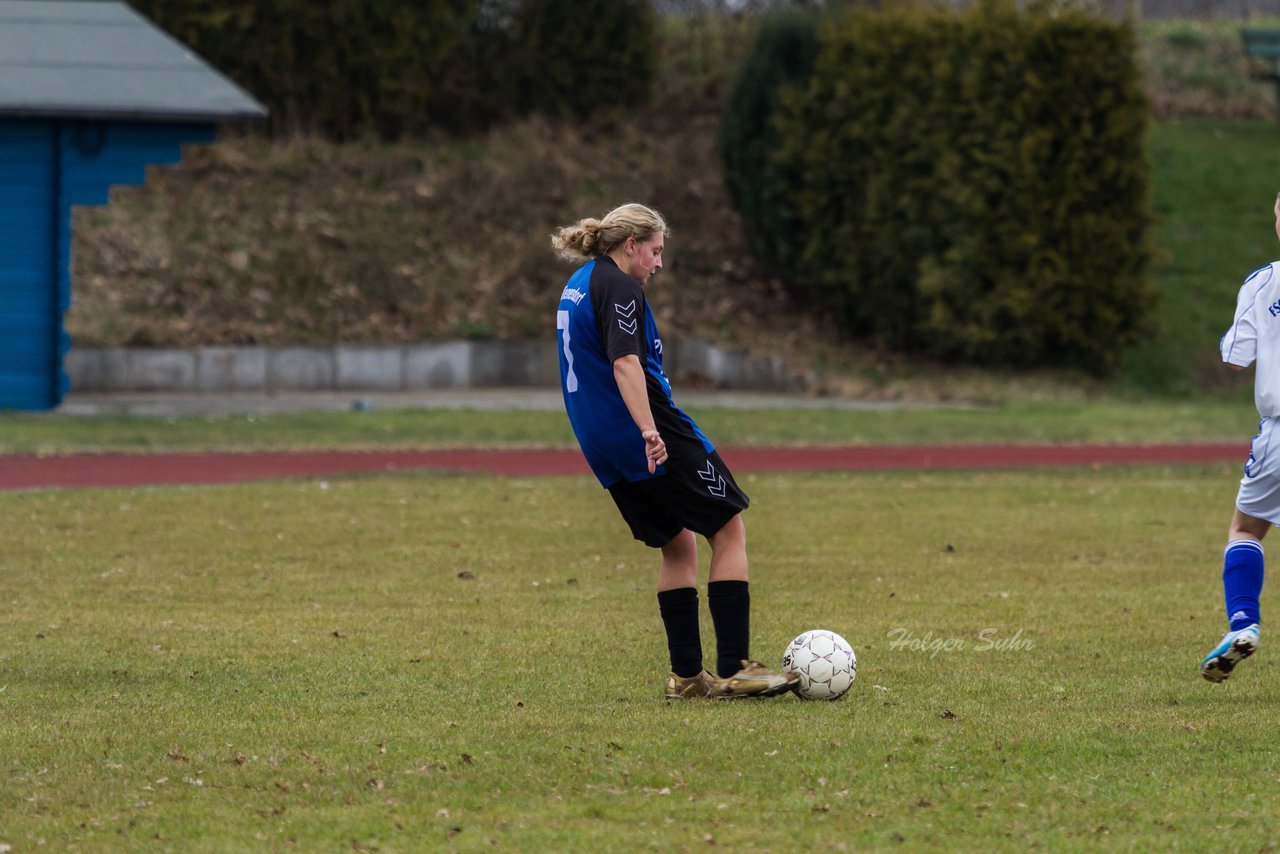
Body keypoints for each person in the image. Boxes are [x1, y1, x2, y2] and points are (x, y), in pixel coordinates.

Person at [550, 203, 797, 700]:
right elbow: (625, 364)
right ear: (631, 245)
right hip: (648, 431)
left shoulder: (581, 280)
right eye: (655, 252)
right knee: (728, 527)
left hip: (601, 446)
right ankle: (735, 669)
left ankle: (687, 677)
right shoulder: (620, 286)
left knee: (678, 545)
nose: (658, 264)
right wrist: (649, 430)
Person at [1199, 192, 1280, 682]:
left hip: (1278, 434)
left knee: (1246, 529)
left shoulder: (1265, 280)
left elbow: (1235, 356)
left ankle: (1244, 624)